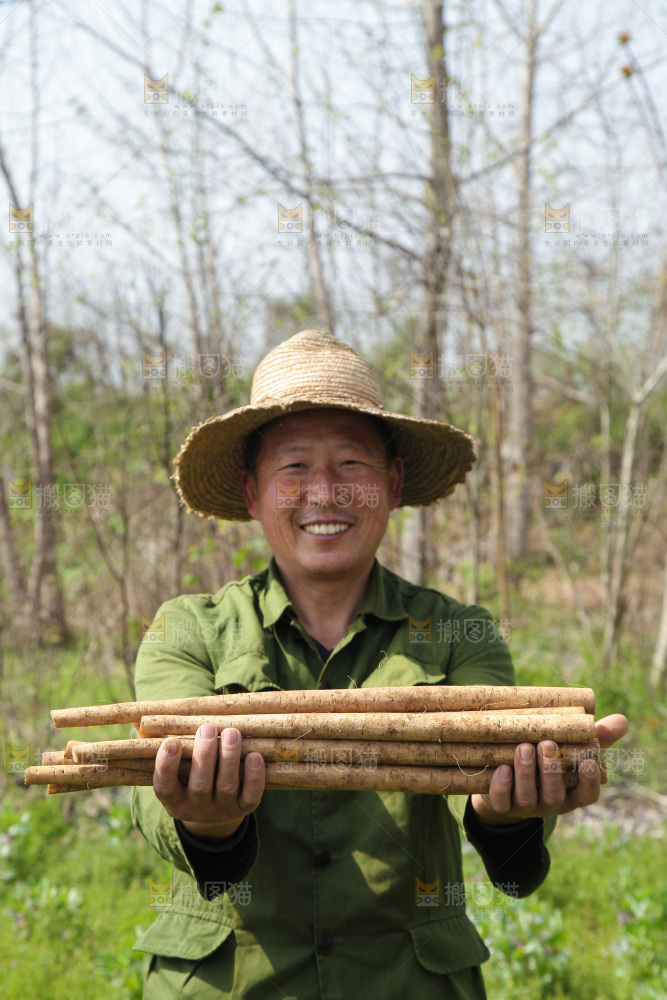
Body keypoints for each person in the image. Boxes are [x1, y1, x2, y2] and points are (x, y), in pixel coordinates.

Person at [131, 329, 628, 1000]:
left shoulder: (459, 634)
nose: (324, 493)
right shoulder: (185, 629)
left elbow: (502, 815)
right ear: (252, 493)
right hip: (232, 984)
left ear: (392, 485)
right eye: (295, 467)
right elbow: (154, 801)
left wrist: (510, 808)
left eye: (351, 466)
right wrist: (206, 820)